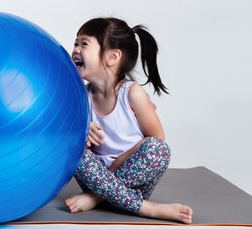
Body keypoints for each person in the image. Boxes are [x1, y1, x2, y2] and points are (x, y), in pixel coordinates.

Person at [64, 17, 193, 224]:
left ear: (112, 56)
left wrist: (107, 180)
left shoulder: (132, 93)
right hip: (95, 179)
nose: (76, 49)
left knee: (158, 150)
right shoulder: (81, 96)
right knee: (71, 146)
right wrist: (81, 131)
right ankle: (145, 208)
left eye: (84, 44)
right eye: (75, 43)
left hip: (132, 182)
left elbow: (156, 138)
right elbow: (64, 132)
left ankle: (98, 198)